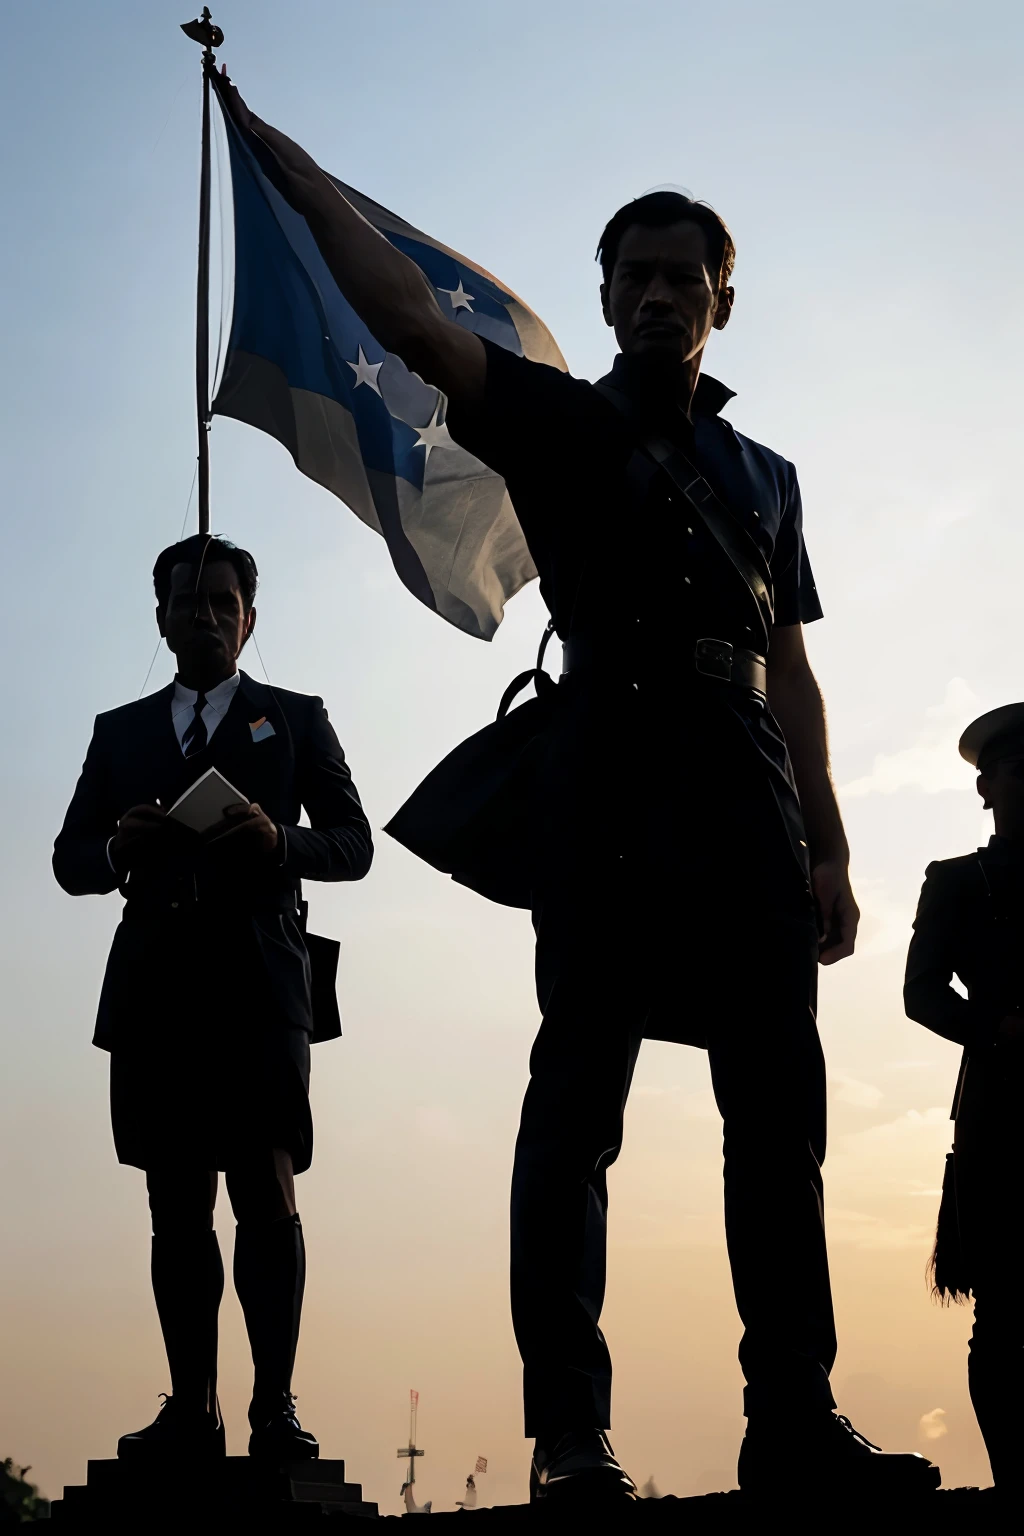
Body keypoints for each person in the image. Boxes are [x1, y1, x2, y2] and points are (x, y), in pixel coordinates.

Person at [222, 86, 940, 1501]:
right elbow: (416, 328)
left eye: (690, 277)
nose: (664, 294)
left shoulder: (768, 477)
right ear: (603, 297)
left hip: (746, 791)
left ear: (722, 302)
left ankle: (792, 1413)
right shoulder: (547, 419)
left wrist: (834, 846)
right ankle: (566, 1436)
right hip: (604, 769)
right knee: (577, 1106)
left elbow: (789, 669)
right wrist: (299, 176)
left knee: (778, 1110)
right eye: (640, 276)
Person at [53, 535, 373, 1461]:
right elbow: (71, 861)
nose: (203, 614)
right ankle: (193, 1405)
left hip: (261, 981)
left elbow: (352, 843)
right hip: (157, 987)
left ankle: (274, 1405)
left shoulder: (295, 719)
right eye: (186, 601)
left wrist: (280, 841)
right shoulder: (121, 732)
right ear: (159, 616)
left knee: (264, 1188)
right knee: (174, 1199)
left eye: (220, 601)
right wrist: (119, 849)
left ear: (249, 617)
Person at [905, 704, 1024, 1493]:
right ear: (985, 789)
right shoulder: (955, 882)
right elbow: (920, 994)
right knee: (1006, 1310)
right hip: (1003, 1113)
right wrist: (998, 1028)